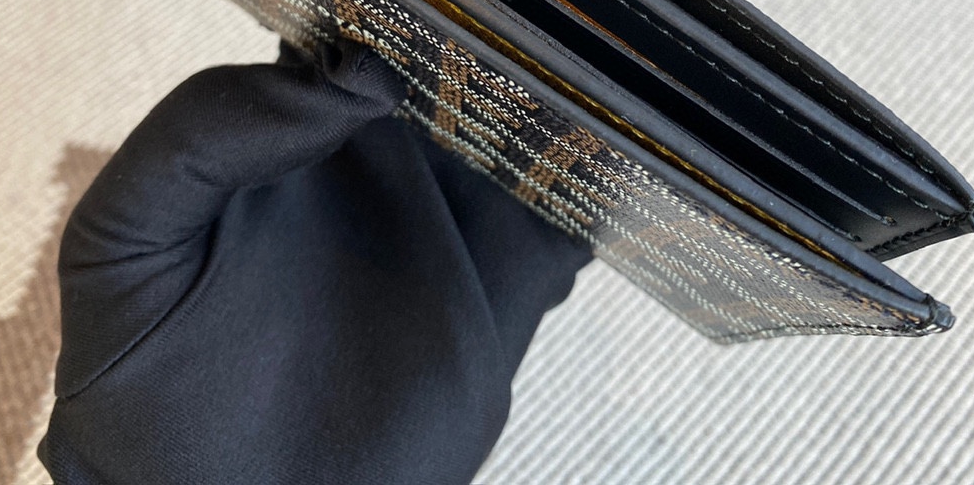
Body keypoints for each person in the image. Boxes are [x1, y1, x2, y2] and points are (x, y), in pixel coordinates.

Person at [39, 40, 592, 484]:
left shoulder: (118, 406)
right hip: (405, 55)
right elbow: (174, 170)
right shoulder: (116, 409)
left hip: (557, 170)